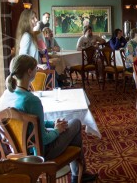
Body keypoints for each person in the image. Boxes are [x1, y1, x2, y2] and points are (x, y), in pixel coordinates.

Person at [6, 55, 97, 183]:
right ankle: (78, 174)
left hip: (21, 150)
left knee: (69, 127)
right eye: (35, 68)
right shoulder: (32, 100)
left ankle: (78, 174)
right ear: (29, 72)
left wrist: (52, 123)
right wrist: (57, 131)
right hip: (40, 152)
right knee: (75, 123)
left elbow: (32, 123)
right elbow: (44, 139)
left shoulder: (13, 95)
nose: (37, 70)